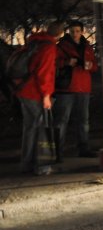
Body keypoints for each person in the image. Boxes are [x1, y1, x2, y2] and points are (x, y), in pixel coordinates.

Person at [14, 21, 62, 175]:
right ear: (60, 34)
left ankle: (26, 164)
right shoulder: (48, 47)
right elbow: (44, 73)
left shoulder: (35, 42)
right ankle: (41, 166)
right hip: (35, 93)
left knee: (29, 128)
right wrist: (46, 95)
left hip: (24, 90)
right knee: (40, 128)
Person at [53, 20, 98, 158]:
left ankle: (83, 148)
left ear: (82, 32)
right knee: (61, 121)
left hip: (83, 87)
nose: (75, 34)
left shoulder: (87, 47)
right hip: (67, 88)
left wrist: (90, 66)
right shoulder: (61, 46)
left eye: (77, 31)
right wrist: (66, 63)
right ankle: (57, 151)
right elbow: (54, 63)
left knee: (83, 120)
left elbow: (95, 66)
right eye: (72, 31)